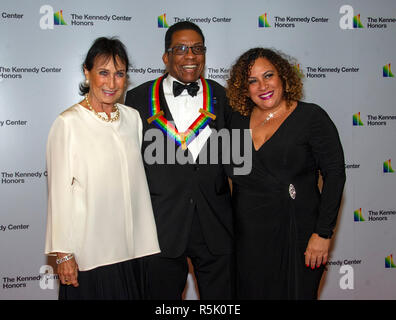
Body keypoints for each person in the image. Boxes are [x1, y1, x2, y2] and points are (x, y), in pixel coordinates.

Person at [124, 21, 234, 300]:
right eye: (181, 48)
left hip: (215, 225)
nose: (190, 55)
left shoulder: (223, 97)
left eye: (197, 48)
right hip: (161, 226)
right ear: (166, 56)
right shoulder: (138, 98)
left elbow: (239, 160)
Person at [45, 37, 160, 300]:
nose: (111, 83)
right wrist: (63, 254)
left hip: (133, 249)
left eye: (119, 74)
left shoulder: (132, 118)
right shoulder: (68, 123)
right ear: (87, 72)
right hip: (91, 253)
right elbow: (59, 195)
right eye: (103, 73)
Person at [226, 48, 346, 299]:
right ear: (244, 88)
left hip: (298, 234)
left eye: (268, 75)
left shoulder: (311, 117)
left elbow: (335, 175)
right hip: (248, 239)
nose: (263, 86)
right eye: (252, 81)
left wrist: (323, 234)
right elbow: (225, 173)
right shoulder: (236, 121)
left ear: (283, 76)